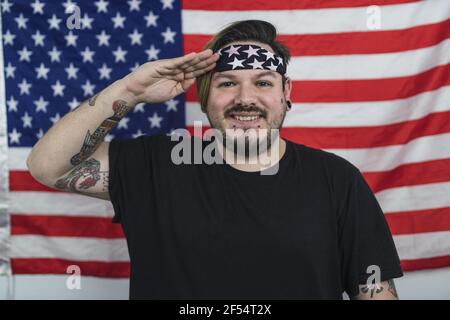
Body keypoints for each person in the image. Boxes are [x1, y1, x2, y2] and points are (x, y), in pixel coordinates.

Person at [26, 20, 403, 299]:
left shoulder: (336, 179)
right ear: (204, 98)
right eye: (226, 83)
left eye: (263, 82)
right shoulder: (157, 165)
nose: (246, 98)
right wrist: (130, 89)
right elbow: (48, 166)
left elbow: (373, 292)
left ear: (287, 93)